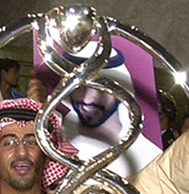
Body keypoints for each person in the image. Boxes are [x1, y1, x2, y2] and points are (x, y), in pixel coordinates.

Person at [59, 43, 163, 177]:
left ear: (120, 91)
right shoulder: (54, 145)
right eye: (80, 87)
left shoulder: (149, 157)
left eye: (100, 88)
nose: (87, 100)